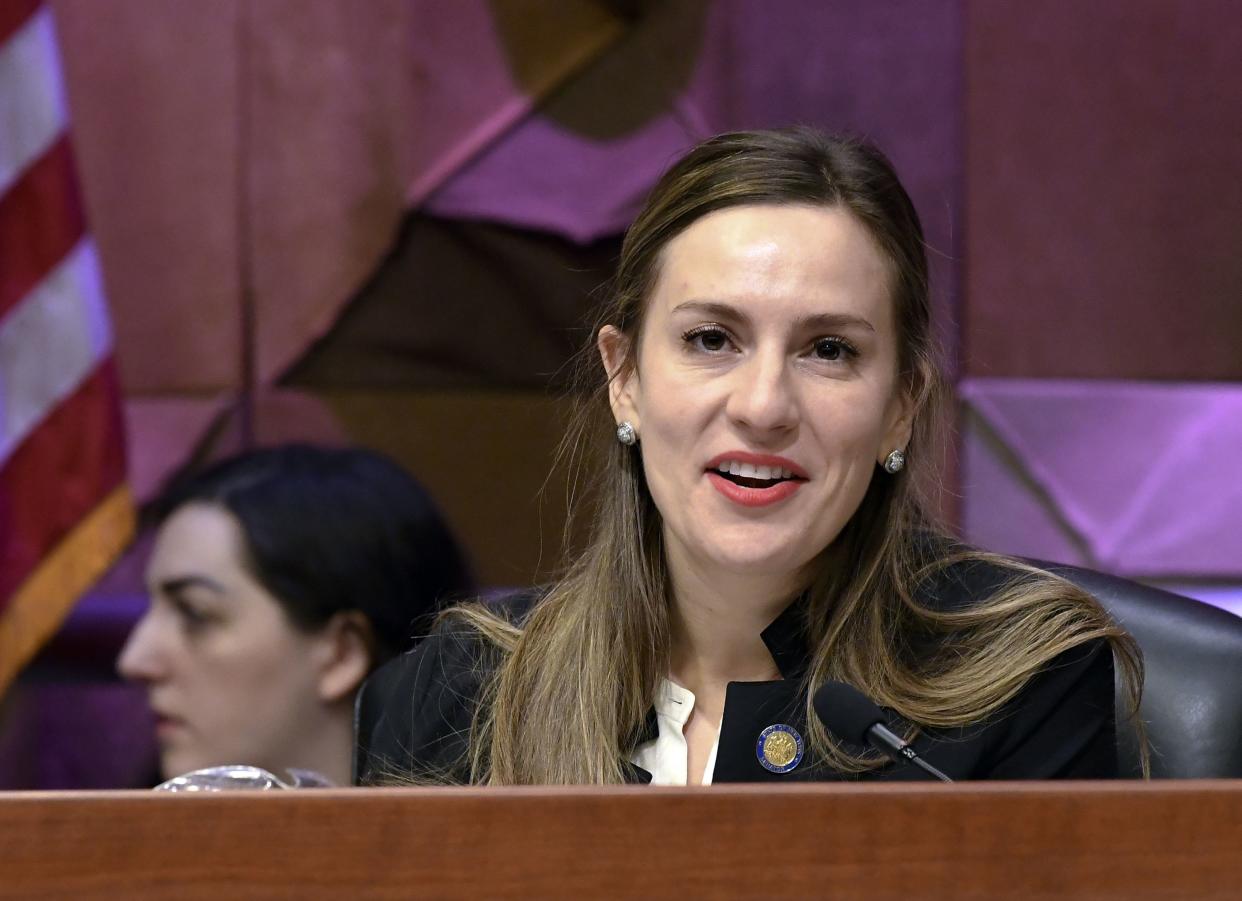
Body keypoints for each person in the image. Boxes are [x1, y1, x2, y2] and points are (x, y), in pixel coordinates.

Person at [356, 127, 1145, 786]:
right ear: (624, 378)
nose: (763, 405)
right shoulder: (460, 690)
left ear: (900, 406)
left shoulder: (1023, 682)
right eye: (711, 339)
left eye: (828, 349)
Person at [118, 444, 472, 787]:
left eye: (196, 613)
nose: (134, 660)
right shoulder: (117, 843)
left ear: (340, 654)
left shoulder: (486, 844)